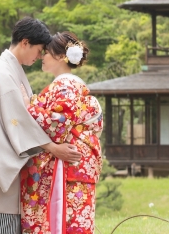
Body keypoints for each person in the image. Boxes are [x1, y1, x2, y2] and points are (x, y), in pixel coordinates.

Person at [0, 18, 82, 234]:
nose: (39, 56)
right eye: (38, 50)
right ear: (25, 42)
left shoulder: (9, 69)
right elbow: (18, 121)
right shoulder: (4, 75)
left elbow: (21, 117)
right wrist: (53, 148)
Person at [20, 32, 103, 234]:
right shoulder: (69, 84)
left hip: (69, 166)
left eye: (46, 52)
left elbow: (58, 125)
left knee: (67, 222)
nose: (42, 56)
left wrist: (27, 107)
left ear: (60, 56)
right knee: (74, 223)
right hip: (75, 165)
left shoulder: (65, 85)